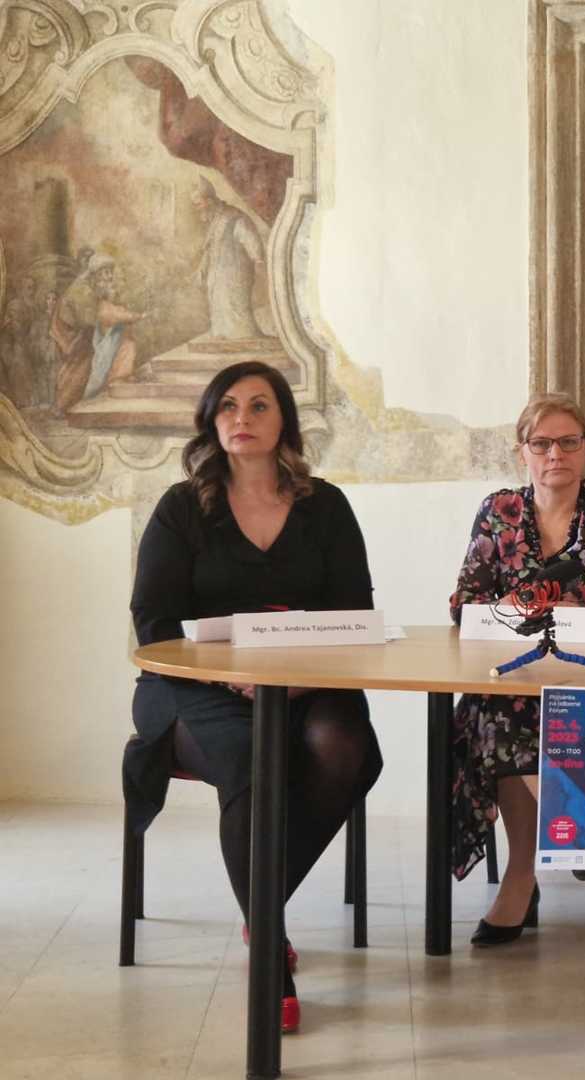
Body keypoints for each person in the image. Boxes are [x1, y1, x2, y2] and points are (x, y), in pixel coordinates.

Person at [126, 361, 383, 1034]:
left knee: (346, 746)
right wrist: (225, 677)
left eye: (260, 405)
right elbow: (153, 622)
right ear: (212, 422)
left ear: (284, 422)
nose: (243, 418)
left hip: (306, 681)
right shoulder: (181, 508)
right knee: (249, 757)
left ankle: (257, 906)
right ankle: (271, 955)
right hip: (193, 687)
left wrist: (298, 681)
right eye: (229, 406)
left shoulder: (326, 507)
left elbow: (355, 613)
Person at [449, 392, 585, 946]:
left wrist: (557, 614)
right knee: (492, 714)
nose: (555, 454)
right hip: (516, 671)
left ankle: (567, 837)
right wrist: (523, 614)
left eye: (568, 442)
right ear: (523, 452)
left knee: (524, 714)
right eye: (541, 443)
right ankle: (551, 850)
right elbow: (466, 601)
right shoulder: (498, 511)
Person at [51, 257, 148, 414]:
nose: (110, 276)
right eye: (106, 273)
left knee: (89, 363)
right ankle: (63, 406)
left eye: (111, 272)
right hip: (71, 332)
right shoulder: (83, 289)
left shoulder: (94, 286)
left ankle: (70, 404)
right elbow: (94, 315)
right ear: (97, 274)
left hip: (84, 331)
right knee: (78, 368)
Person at [193, 178, 266, 339]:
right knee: (219, 305)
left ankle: (243, 338)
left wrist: (258, 259)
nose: (197, 209)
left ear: (209, 201)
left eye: (198, 204)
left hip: (235, 273)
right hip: (218, 274)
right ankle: (223, 336)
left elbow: (250, 237)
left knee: (235, 306)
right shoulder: (215, 220)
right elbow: (209, 248)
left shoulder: (232, 216)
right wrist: (202, 268)